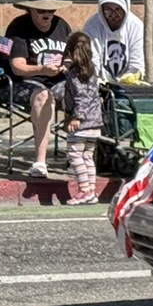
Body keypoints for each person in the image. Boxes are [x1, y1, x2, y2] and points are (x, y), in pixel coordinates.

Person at [0, 0, 72, 179]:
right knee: (43, 96)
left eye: (51, 10)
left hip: (57, 80)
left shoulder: (62, 25)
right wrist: (43, 69)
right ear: (30, 9)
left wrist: (67, 64)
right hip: (20, 82)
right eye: (41, 10)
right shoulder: (18, 27)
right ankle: (40, 162)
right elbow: (17, 66)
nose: (47, 14)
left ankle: (77, 156)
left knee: (79, 93)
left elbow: (71, 56)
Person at [60, 32, 105, 203]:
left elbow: (81, 96)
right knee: (87, 156)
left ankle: (84, 190)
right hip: (95, 121)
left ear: (70, 51)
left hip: (81, 123)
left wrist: (76, 117)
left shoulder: (75, 74)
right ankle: (91, 191)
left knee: (74, 154)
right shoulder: (90, 70)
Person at [81, 0, 145, 82]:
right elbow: (91, 61)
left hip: (128, 84)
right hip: (99, 83)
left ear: (125, 8)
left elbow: (137, 65)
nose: (113, 14)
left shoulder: (136, 27)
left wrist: (126, 81)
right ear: (102, 9)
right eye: (108, 10)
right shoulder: (92, 25)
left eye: (118, 9)